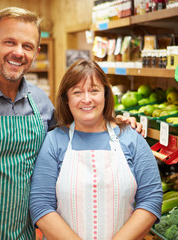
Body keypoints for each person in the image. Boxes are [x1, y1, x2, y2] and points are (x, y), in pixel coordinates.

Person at [0, 7, 141, 240]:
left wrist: (115, 125)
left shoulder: (40, 101)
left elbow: (75, 135)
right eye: (10, 42)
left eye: (27, 46)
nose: (18, 52)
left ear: (36, 52)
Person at [29, 59, 163, 240]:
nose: (86, 99)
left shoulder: (131, 138)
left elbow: (151, 199)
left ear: (106, 95)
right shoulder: (54, 141)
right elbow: (41, 205)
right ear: (66, 99)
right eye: (77, 92)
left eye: (94, 90)